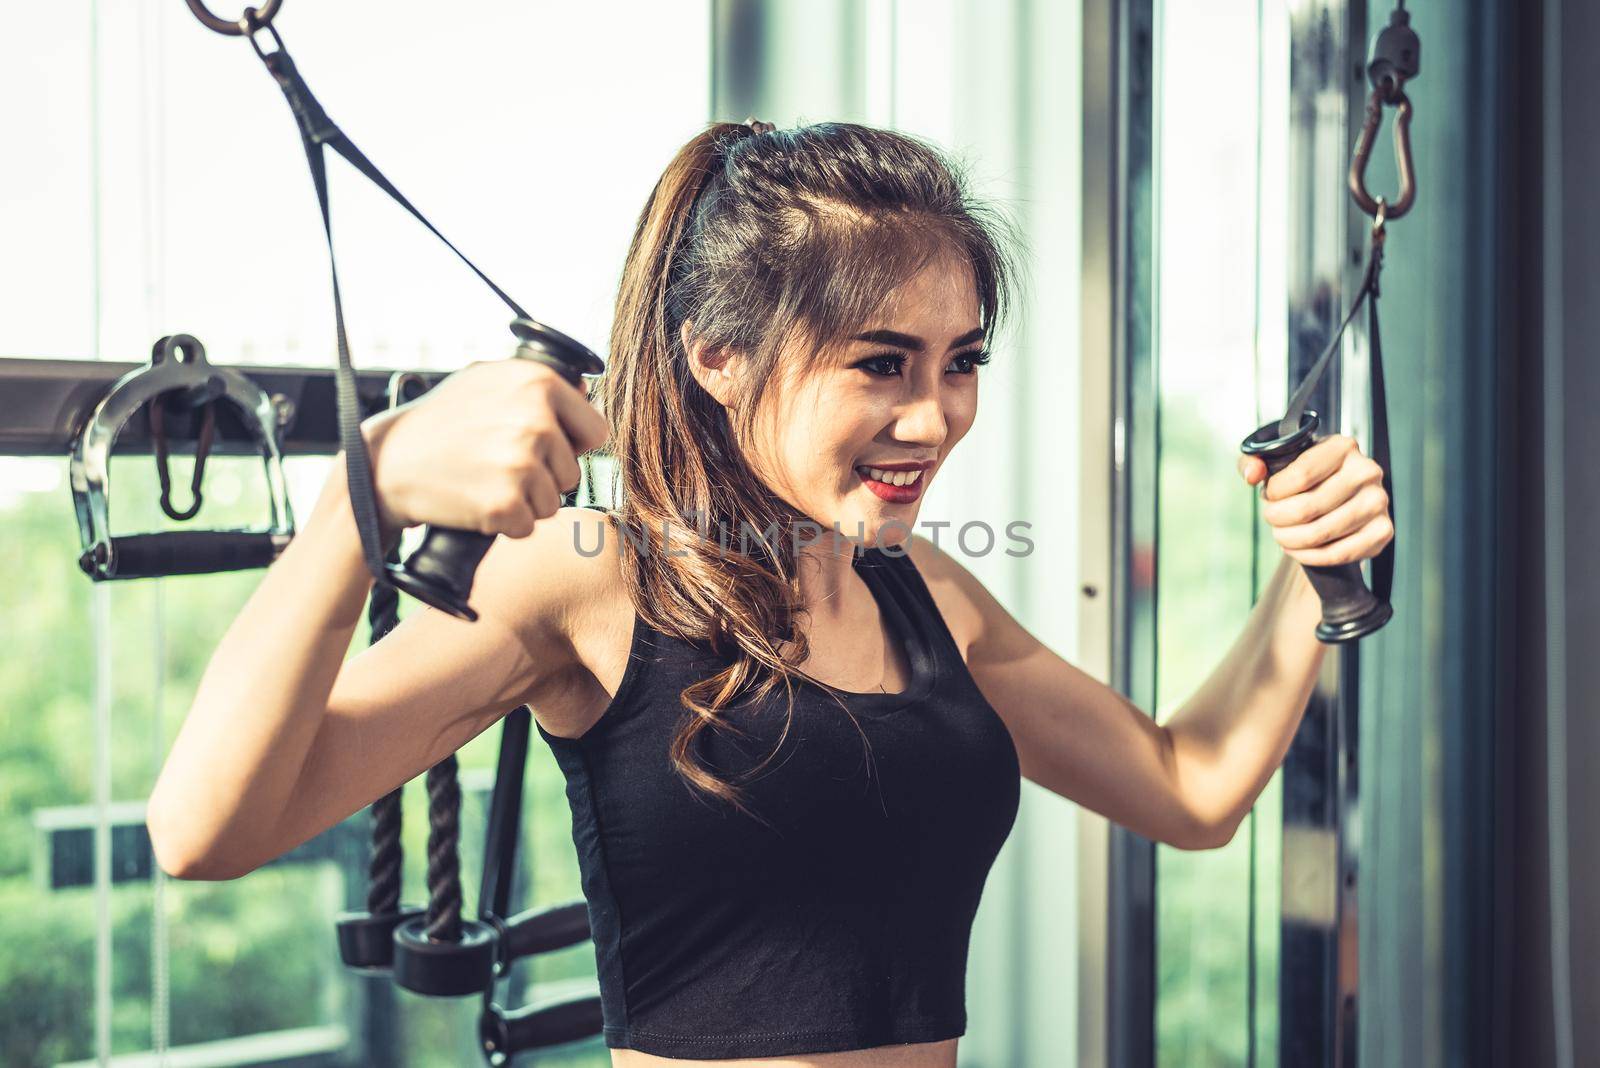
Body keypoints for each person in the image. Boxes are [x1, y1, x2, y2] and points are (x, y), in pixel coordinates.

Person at [146, 120, 1394, 1067]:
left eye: (960, 362)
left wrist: (1312, 568)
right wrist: (353, 509)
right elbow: (204, 833)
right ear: (718, 356)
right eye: (879, 364)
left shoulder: (923, 598)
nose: (935, 416)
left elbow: (1189, 787)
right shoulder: (584, 579)